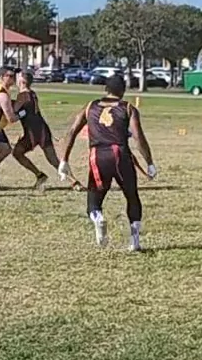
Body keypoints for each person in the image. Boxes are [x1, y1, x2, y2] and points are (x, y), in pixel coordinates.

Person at [57, 73, 156, 250]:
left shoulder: (90, 106)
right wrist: (149, 162)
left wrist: (64, 160)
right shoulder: (128, 108)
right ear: (123, 90)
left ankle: (98, 217)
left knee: (94, 200)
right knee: (132, 196)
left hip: (98, 155)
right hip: (120, 154)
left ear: (105, 89)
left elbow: (72, 132)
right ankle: (135, 241)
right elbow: (138, 137)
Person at [10, 75, 70, 188]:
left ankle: (39, 175)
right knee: (53, 159)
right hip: (41, 129)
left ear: (22, 82)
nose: (15, 80)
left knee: (17, 153)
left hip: (34, 132)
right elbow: (29, 111)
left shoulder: (23, 96)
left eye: (18, 78)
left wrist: (4, 102)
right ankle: (73, 181)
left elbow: (13, 113)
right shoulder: (32, 93)